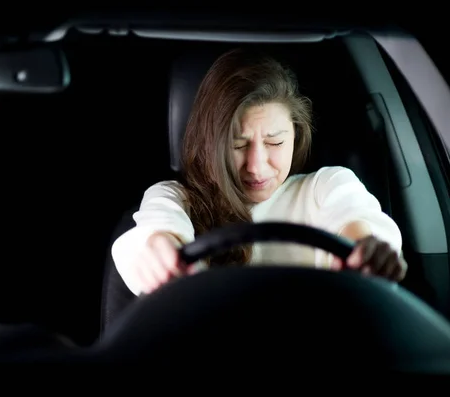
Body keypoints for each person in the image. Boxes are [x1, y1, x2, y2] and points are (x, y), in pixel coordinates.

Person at [111, 48, 407, 296]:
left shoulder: (326, 186)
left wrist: (365, 252)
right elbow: (158, 229)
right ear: (211, 143)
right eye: (238, 144)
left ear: (296, 135)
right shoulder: (178, 198)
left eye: (275, 142)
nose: (256, 166)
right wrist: (161, 250)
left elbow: (355, 221)